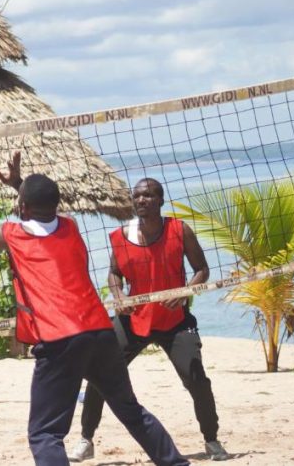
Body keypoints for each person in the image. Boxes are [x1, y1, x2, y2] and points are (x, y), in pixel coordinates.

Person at [0, 153, 189, 466]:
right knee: (130, 410)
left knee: (45, 434)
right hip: (99, 331)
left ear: (22, 207)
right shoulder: (71, 228)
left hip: (60, 339)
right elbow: (40, 209)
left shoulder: (14, 234)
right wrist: (19, 185)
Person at [67, 177, 228, 462]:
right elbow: (114, 274)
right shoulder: (121, 236)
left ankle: (212, 440)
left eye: (148, 196)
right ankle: (86, 438)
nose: (141, 200)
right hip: (134, 320)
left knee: (196, 378)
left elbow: (202, 268)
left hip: (175, 320)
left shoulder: (179, 230)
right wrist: (118, 296)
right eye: (137, 196)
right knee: (99, 374)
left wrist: (186, 292)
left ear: (160, 200)